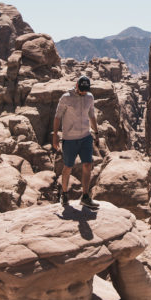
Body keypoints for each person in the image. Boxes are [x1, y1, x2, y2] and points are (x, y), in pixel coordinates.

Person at [52, 74, 100, 208]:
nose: (84, 92)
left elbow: (91, 115)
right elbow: (57, 116)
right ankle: (64, 194)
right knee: (68, 167)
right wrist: (55, 135)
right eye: (82, 89)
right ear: (77, 85)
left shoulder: (89, 97)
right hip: (70, 139)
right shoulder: (66, 98)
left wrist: (96, 132)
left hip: (85, 137)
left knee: (87, 165)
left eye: (86, 89)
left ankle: (85, 196)